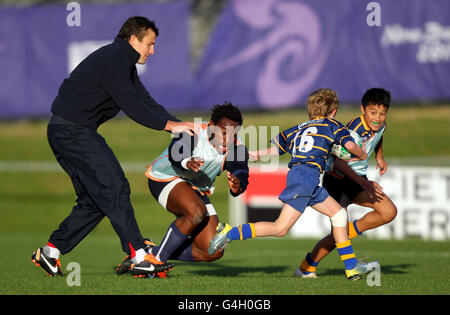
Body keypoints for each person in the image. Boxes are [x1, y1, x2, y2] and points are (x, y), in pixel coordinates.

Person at [31, 16, 197, 278]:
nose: (152, 51)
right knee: (115, 186)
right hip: (72, 131)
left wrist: (180, 124)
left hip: (67, 131)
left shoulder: (123, 62)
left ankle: (50, 252)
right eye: (150, 44)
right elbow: (132, 106)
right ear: (133, 39)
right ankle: (138, 256)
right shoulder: (115, 59)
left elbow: (145, 100)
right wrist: (168, 126)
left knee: (95, 200)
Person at [208, 88, 379, 280]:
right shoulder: (333, 125)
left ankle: (351, 266)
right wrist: (362, 154)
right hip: (306, 176)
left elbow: (276, 149)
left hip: (306, 178)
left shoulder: (298, 128)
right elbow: (350, 147)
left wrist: (256, 154)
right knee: (280, 228)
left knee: (338, 214)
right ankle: (230, 232)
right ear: (333, 111)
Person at [115, 102, 249, 277]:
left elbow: (241, 170)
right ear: (211, 126)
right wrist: (186, 161)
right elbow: (177, 151)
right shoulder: (192, 131)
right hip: (165, 178)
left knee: (212, 250)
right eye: (223, 133)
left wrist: (239, 183)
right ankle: (156, 262)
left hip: (195, 189)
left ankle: (148, 252)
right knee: (196, 212)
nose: (227, 139)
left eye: (233, 134)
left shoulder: (237, 148)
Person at [296, 87, 397, 278]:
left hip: (358, 180)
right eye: (373, 112)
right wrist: (364, 183)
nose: (378, 118)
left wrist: (380, 158)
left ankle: (348, 232)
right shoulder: (353, 131)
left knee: (389, 212)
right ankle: (305, 267)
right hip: (338, 181)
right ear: (363, 110)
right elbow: (339, 162)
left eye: (382, 113)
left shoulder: (380, 125)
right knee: (338, 234)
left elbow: (378, 136)